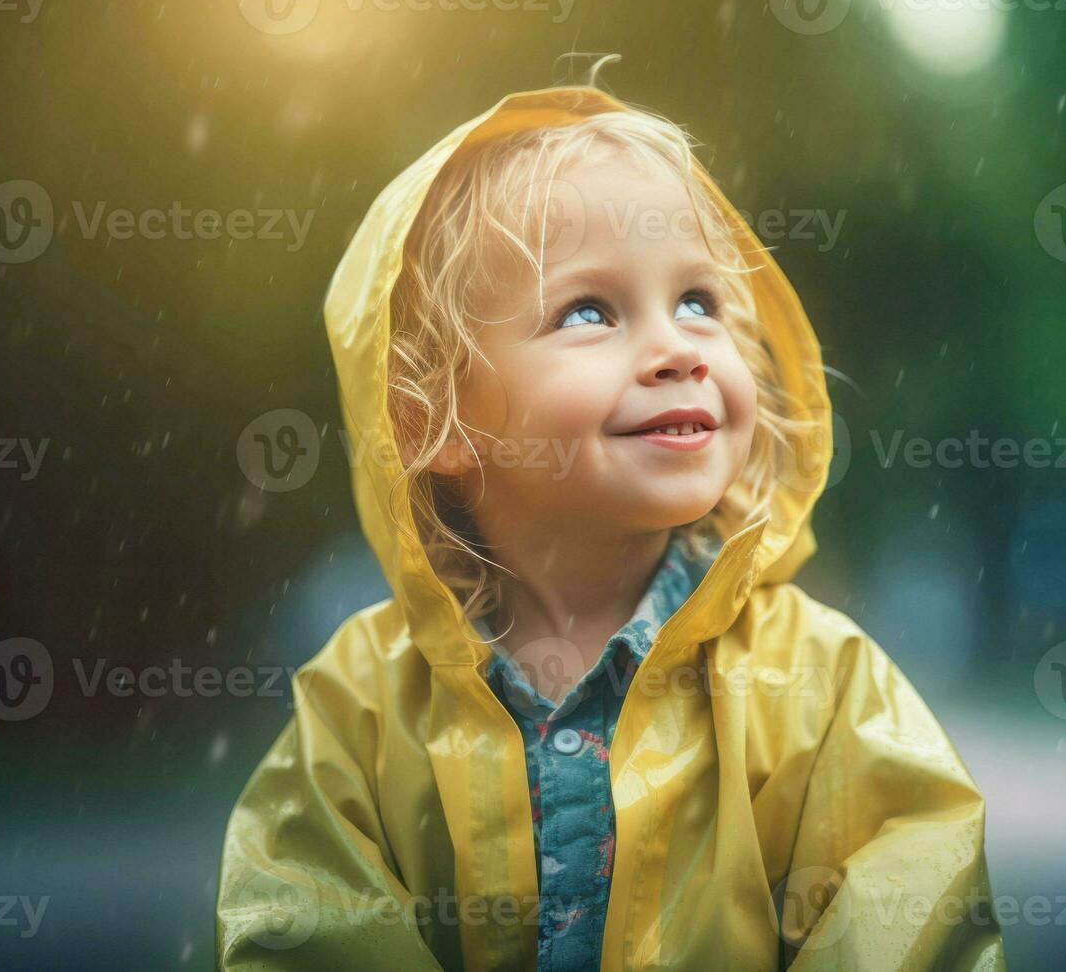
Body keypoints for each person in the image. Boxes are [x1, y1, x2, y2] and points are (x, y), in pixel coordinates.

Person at [216, 81, 1004, 971]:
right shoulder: (360, 709)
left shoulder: (817, 689)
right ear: (430, 421)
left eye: (701, 300)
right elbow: (303, 929)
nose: (680, 348)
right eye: (588, 311)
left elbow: (909, 912)